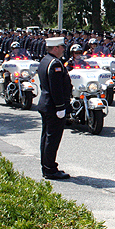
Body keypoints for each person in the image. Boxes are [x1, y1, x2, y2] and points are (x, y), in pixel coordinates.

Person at [37, 37, 72, 180]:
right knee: (52, 139)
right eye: (62, 47)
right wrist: (60, 107)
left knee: (46, 137)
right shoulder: (55, 64)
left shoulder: (45, 60)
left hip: (46, 104)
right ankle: (50, 169)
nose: (64, 49)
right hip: (53, 107)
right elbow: (55, 88)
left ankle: (47, 166)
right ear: (55, 48)